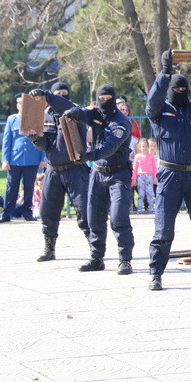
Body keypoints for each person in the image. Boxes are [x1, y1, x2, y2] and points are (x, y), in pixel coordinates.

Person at [146, 53, 191, 291]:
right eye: (176, 89)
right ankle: (156, 272)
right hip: (170, 176)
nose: (180, 91)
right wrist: (165, 73)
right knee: (164, 227)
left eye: (184, 89)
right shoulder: (159, 111)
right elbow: (154, 97)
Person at [62, 84, 135, 274]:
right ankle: (96, 258)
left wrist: (89, 156)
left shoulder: (121, 123)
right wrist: (72, 111)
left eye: (108, 98)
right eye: (101, 98)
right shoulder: (95, 114)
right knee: (94, 218)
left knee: (118, 218)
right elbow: (81, 113)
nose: (105, 101)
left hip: (119, 174)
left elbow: (110, 147)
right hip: (98, 173)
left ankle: (125, 260)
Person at [27, 82, 91, 262]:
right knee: (47, 211)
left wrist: (47, 94)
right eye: (58, 93)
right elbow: (44, 145)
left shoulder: (76, 112)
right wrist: (35, 138)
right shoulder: (44, 116)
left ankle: (95, 248)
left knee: (85, 211)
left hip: (75, 169)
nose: (62, 96)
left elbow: (66, 107)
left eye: (64, 93)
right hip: (53, 171)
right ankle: (49, 248)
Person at [0, 94, 46, 223]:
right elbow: (7, 141)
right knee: (11, 187)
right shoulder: (12, 119)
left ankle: (27, 212)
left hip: (32, 157)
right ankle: (6, 213)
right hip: (15, 158)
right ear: (17, 105)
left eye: (24, 103)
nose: (22, 105)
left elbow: (42, 139)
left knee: (29, 187)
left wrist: (43, 158)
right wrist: (5, 159)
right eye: (20, 103)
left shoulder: (36, 119)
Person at [132, 138, 156, 212]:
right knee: (141, 193)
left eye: (146, 146)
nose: (145, 148)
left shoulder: (151, 156)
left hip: (149, 176)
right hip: (140, 176)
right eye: (143, 146)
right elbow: (135, 169)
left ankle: (151, 208)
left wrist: (155, 178)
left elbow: (154, 168)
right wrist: (134, 179)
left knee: (150, 193)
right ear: (140, 147)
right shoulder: (137, 156)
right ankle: (139, 209)